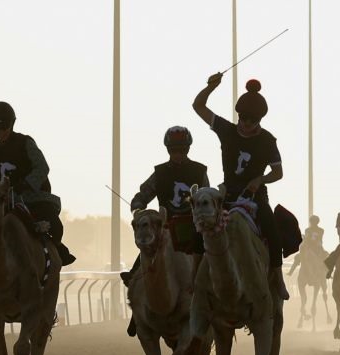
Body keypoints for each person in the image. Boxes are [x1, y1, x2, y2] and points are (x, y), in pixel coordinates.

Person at [192, 73, 289, 299]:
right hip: (226, 194)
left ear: (259, 121)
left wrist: (260, 179)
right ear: (238, 115)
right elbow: (198, 106)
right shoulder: (226, 130)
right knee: (202, 223)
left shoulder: (268, 140)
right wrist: (211, 87)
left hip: (255, 197)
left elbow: (278, 172)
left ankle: (277, 277)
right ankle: (196, 276)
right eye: (243, 118)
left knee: (271, 227)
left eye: (251, 120)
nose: (246, 124)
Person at [122, 126, 210, 336]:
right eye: (173, 150)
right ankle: (137, 315)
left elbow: (206, 196)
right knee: (139, 266)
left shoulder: (200, 171)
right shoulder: (160, 173)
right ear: (168, 150)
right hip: (165, 229)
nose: (177, 154)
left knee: (212, 261)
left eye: (181, 149)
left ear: (187, 149)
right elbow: (143, 194)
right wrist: (137, 205)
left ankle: (214, 307)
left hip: (193, 229)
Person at [0, 101, 75, 265]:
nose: (0, 133)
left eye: (3, 129)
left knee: (55, 226)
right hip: (5, 202)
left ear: (11, 125)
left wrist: (24, 185)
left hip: (33, 198)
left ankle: (57, 252)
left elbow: (42, 168)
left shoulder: (25, 143)